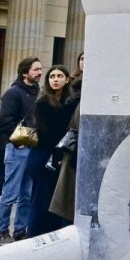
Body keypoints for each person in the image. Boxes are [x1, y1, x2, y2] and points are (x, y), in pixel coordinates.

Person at [23, 64, 81, 237]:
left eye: (59, 76)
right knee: (41, 198)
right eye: (52, 76)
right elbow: (52, 130)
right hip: (43, 155)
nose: (55, 80)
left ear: (66, 79)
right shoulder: (45, 101)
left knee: (53, 200)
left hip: (56, 155)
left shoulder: (67, 99)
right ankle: (35, 235)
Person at [0, 59, 42, 241]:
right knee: (10, 191)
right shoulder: (13, 93)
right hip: (17, 147)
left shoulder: (37, 92)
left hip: (32, 146)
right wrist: (15, 141)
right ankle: (2, 231)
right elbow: (5, 120)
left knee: (27, 194)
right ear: (24, 73)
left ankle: (20, 229)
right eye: (36, 69)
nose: (39, 72)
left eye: (40, 69)